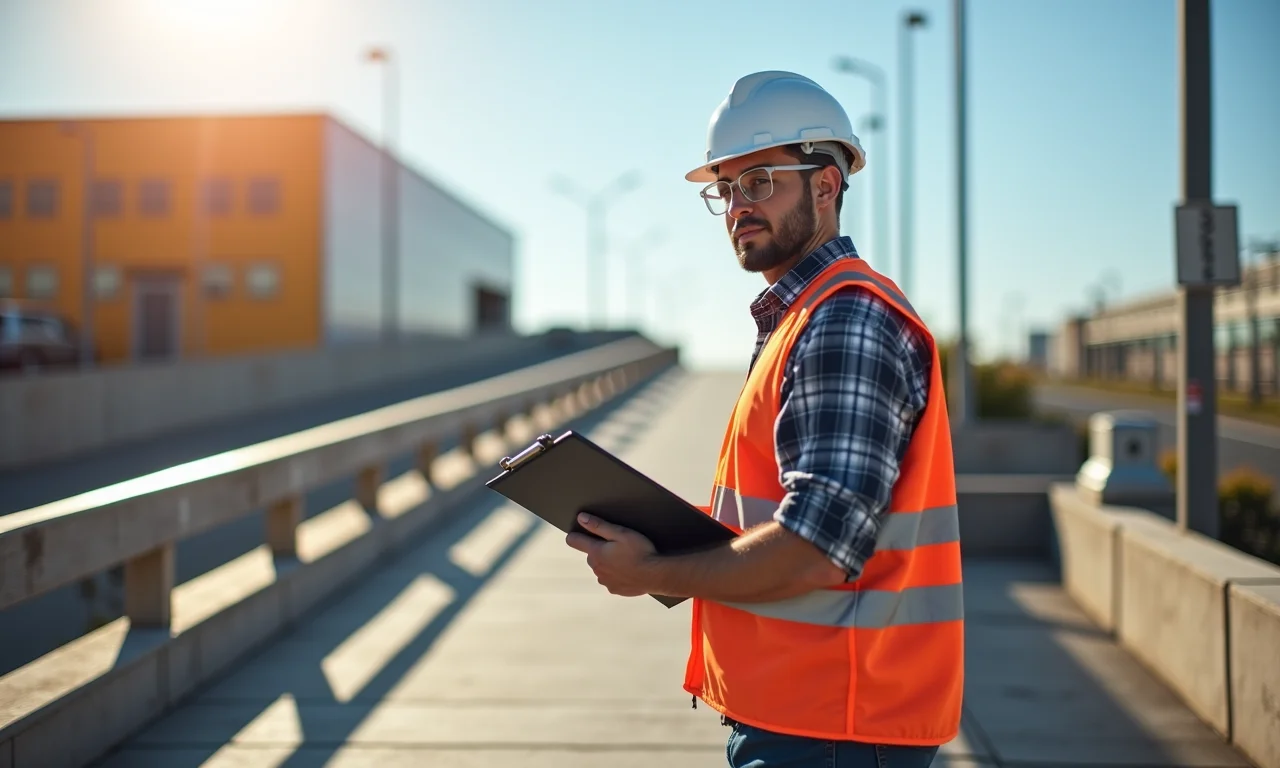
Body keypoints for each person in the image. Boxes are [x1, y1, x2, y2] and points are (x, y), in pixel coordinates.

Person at [565, 70, 963, 768]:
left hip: (834, 724)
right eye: (724, 189)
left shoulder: (843, 319)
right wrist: (660, 530)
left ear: (826, 185)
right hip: (812, 714)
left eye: (759, 182)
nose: (737, 207)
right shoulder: (802, 317)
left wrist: (657, 570)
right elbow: (784, 513)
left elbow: (817, 546)